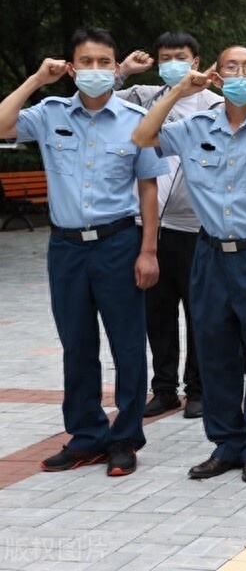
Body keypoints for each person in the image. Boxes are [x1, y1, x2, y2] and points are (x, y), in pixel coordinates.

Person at [132, 47, 246, 483]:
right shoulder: (193, 127)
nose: (240, 74)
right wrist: (179, 90)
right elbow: (143, 136)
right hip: (210, 255)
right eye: (231, 67)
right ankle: (227, 443)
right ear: (215, 75)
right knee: (215, 353)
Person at [0, 27, 165, 477]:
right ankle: (87, 435)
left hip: (118, 243)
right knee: (77, 344)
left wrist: (148, 250)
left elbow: (149, 189)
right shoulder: (49, 112)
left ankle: (125, 439)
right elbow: (1, 123)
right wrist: (37, 79)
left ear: (116, 68)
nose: (95, 70)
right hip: (67, 247)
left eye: (104, 63)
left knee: (128, 345)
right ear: (72, 68)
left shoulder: (135, 119)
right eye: (86, 62)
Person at [115, 32, 221, 420]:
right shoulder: (145, 96)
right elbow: (98, 100)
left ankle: (198, 389)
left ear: (196, 61)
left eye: (180, 56)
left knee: (199, 313)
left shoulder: (216, 102)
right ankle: (164, 389)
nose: (172, 63)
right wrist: (124, 71)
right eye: (165, 58)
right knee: (157, 313)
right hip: (149, 226)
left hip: (194, 227)